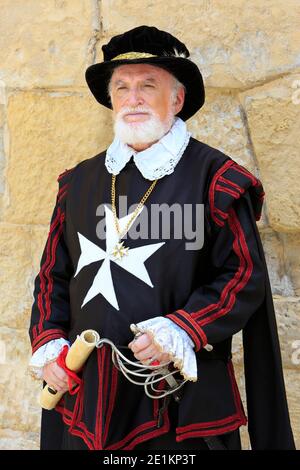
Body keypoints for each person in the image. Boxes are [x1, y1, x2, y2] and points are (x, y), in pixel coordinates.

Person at [28, 25, 295, 450]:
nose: (132, 98)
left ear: (177, 99)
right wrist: (49, 344)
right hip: (87, 404)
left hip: (179, 408)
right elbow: (51, 278)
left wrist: (182, 329)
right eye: (122, 87)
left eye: (147, 86)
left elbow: (243, 277)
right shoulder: (78, 183)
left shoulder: (216, 180)